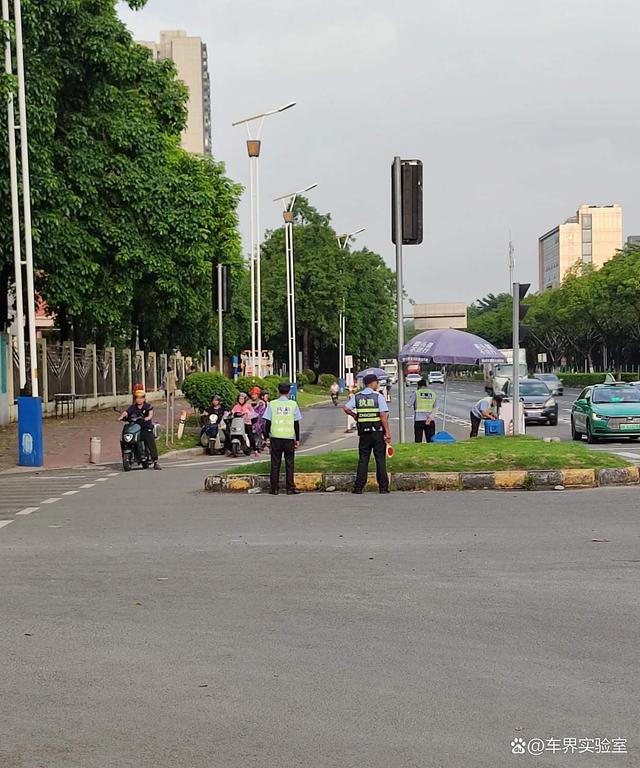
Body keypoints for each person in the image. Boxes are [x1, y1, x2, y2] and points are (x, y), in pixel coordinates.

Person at [344, 373, 391, 494]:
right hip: (377, 432)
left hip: (364, 433)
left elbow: (346, 408)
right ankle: (383, 488)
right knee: (380, 460)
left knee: (363, 459)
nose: (377, 384)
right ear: (372, 383)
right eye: (376, 382)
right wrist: (387, 432)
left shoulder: (357, 396)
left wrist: (355, 415)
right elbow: (383, 415)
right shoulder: (378, 396)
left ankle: (358, 487)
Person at [263, 382, 302, 495]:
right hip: (289, 437)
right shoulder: (293, 404)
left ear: (278, 391)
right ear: (289, 391)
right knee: (289, 464)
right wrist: (297, 438)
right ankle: (290, 488)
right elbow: (296, 423)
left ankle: (274, 488)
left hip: (275, 437)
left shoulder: (272, 404)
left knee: (275, 464)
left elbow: (267, 423)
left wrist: (266, 437)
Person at [118, 388, 161, 469]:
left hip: (145, 427)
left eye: (141, 398)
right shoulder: (132, 407)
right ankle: (132, 455)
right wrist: (121, 417)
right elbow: (126, 412)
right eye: (137, 398)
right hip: (135, 428)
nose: (139, 399)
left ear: (144, 398)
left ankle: (155, 461)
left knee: (150, 441)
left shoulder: (148, 406)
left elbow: (150, 414)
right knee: (126, 438)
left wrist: (147, 418)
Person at [228, 392, 258, 456]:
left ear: (245, 399)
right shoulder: (236, 406)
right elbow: (231, 413)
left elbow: (253, 413)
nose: (241, 400)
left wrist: (248, 414)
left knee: (250, 435)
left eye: (242, 399)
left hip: (246, 422)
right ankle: (230, 449)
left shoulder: (248, 406)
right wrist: (229, 415)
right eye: (240, 399)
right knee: (231, 433)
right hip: (237, 423)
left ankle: (255, 449)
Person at [410, 378, 437, 443]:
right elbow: (436, 407)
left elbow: (409, 403)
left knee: (418, 440)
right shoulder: (433, 393)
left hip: (419, 419)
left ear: (418, 386)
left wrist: (412, 395)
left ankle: (418, 452)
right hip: (430, 420)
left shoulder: (416, 393)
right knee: (431, 440)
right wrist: (430, 417)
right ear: (426, 385)